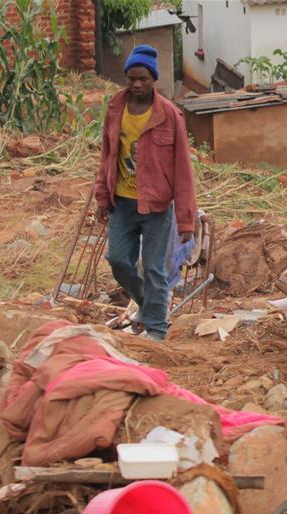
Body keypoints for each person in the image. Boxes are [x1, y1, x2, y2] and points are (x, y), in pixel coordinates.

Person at [94, 45, 196, 342]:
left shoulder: (169, 115)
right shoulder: (115, 108)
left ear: (153, 79)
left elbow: (183, 170)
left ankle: (157, 329)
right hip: (122, 202)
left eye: (143, 79)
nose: (137, 85)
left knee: (153, 268)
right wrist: (102, 196)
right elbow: (107, 154)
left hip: (156, 206)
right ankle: (148, 306)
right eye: (131, 78)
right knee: (118, 260)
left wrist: (186, 220)